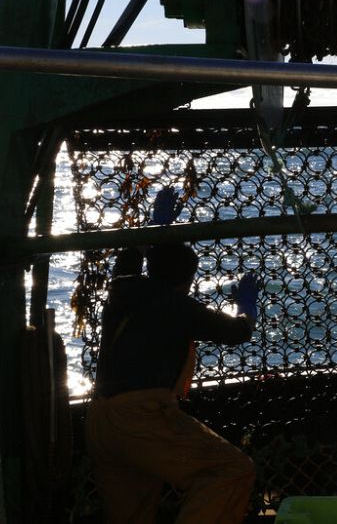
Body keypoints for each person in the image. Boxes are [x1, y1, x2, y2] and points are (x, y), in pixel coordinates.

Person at [85, 187, 259, 524]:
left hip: (101, 421)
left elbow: (132, 252)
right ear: (188, 280)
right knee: (232, 471)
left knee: (132, 515)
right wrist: (246, 308)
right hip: (142, 420)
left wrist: (156, 225)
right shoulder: (178, 306)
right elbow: (237, 333)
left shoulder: (121, 287)